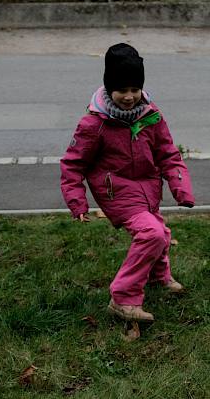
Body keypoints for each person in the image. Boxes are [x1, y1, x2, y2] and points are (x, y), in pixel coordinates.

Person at [60, 43, 195, 323]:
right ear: (109, 88)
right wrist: (77, 200)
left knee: (160, 231)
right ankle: (123, 298)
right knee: (151, 234)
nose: (129, 97)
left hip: (148, 188)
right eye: (122, 90)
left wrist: (180, 188)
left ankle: (159, 276)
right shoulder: (94, 123)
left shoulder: (151, 115)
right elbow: (73, 162)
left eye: (135, 89)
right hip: (117, 191)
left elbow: (168, 152)